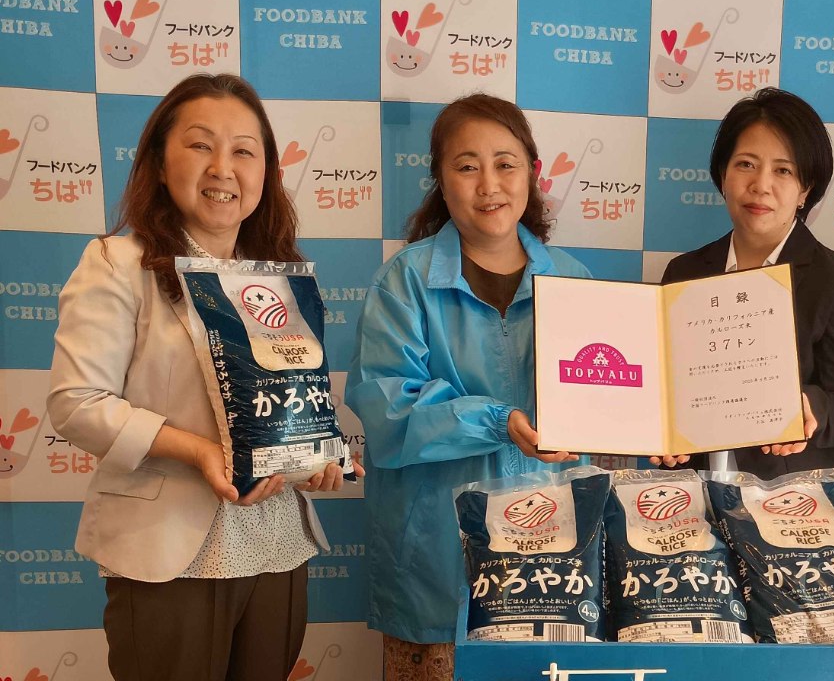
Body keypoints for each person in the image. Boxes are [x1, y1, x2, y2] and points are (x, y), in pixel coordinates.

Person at [46, 73, 359, 681]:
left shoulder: (279, 278)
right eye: (200, 145)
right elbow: (76, 403)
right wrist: (197, 450)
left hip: (276, 543)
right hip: (167, 549)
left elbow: (287, 406)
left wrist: (317, 457)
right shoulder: (118, 263)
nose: (223, 168)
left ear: (266, 171)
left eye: (244, 151)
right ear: (160, 163)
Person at [346, 93, 591, 681]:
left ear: (532, 173)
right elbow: (387, 410)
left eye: (505, 164)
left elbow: (607, 405)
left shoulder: (576, 281)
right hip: (435, 565)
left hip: (552, 562)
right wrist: (497, 420)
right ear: (440, 177)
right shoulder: (403, 281)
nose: (489, 185)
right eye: (466, 166)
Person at [658, 87, 834, 478]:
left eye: (783, 170)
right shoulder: (683, 273)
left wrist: (810, 408)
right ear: (723, 175)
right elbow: (667, 389)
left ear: (805, 190)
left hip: (796, 497)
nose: (760, 184)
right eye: (746, 164)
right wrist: (661, 433)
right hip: (697, 491)